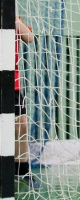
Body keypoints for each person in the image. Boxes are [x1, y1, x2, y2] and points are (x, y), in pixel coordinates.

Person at [15, 15, 39, 188]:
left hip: (11, 81)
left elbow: (29, 37)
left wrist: (14, 17)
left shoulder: (14, 17)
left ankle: (22, 169)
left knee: (21, 124)